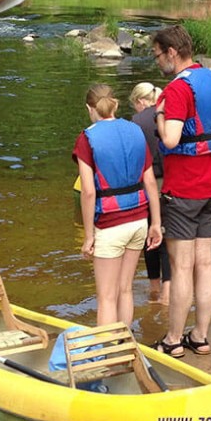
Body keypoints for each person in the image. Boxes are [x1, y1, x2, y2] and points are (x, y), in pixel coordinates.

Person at [151, 25, 211, 357]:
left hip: (183, 190)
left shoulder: (177, 90)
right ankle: (201, 336)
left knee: (181, 268)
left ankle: (174, 340)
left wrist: (161, 114)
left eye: (157, 55)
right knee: (204, 262)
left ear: (172, 53)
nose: (157, 62)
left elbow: (170, 140)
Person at [73, 84, 162, 327]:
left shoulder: (87, 138)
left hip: (110, 225)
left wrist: (89, 236)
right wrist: (156, 223)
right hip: (138, 222)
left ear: (90, 108)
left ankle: (110, 359)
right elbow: (150, 182)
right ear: (115, 104)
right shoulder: (135, 130)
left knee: (106, 298)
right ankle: (126, 344)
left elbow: (89, 192)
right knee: (125, 290)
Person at [129, 82, 170, 306]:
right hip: (173, 183)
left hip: (149, 183)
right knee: (168, 238)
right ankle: (168, 291)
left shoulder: (136, 122)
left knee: (151, 239)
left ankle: (155, 288)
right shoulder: (169, 113)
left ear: (140, 101)